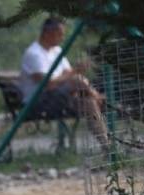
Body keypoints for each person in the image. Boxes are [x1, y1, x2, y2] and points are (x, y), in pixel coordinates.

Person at [19, 16, 107, 144]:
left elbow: (67, 73)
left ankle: (107, 146)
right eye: (59, 34)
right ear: (47, 34)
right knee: (78, 81)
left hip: (60, 97)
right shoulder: (34, 54)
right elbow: (48, 84)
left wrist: (77, 70)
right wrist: (75, 73)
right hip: (39, 101)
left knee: (89, 104)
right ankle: (100, 98)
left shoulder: (56, 51)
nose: (62, 38)